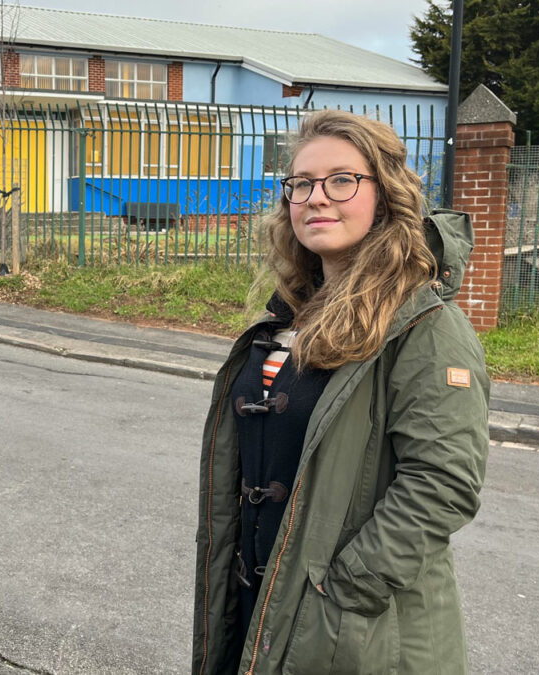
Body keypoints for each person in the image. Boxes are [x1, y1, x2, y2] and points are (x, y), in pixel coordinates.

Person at [191, 110, 489, 675]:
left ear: (386, 194)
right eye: (301, 183)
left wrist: (338, 592)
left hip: (351, 631)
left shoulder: (425, 326)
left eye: (342, 180)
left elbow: (443, 485)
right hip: (262, 605)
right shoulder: (288, 316)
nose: (316, 197)